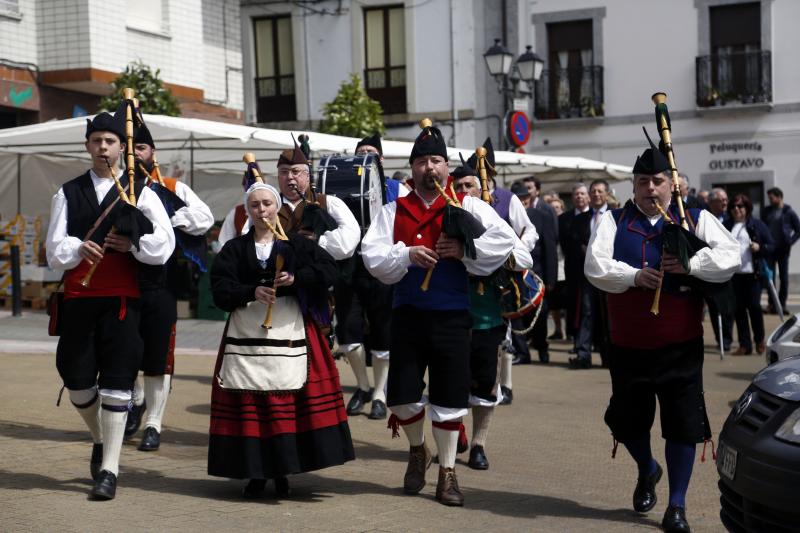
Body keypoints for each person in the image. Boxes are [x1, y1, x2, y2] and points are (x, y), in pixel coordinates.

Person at [585, 134, 739, 533]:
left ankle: (677, 505)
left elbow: (730, 257)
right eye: (642, 182)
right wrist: (634, 275)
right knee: (625, 422)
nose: (649, 188)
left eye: (656, 181)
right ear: (633, 186)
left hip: (681, 346)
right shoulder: (614, 221)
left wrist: (690, 263)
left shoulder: (695, 218)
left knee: (681, 426)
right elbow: (595, 267)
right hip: (628, 346)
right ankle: (647, 467)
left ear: (671, 183)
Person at [361, 121, 515, 507]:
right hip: (408, 314)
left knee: (448, 398)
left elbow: (504, 241)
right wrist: (406, 254)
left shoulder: (469, 205)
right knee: (401, 398)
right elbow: (372, 255)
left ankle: (447, 473)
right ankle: (418, 450)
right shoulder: (393, 210)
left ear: (446, 167)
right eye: (422, 162)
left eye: (436, 161)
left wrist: (465, 252)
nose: (430, 168)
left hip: (452, 316)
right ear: (412, 169)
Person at [45, 109, 175, 500]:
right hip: (80, 299)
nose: (103, 147)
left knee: (118, 382)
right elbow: (54, 250)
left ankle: (110, 469)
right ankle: (101, 437)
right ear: (88, 146)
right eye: (97, 141)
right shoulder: (67, 192)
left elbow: (164, 247)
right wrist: (76, 246)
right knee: (77, 380)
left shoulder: (143, 191)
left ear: (123, 148)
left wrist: (132, 243)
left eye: (110, 141)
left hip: (122, 302)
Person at [208, 182, 354, 498]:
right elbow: (219, 289)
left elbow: (330, 272)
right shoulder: (234, 249)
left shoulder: (297, 246)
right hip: (246, 336)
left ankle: (282, 471)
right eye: (255, 206)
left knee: (285, 402)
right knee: (252, 403)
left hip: (290, 332)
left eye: (267, 204)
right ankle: (255, 473)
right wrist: (251, 291)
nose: (262, 211)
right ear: (248, 211)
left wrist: (296, 279)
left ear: (276, 207)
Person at [124, 123, 215, 451]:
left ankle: (154, 423)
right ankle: (134, 404)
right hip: (123, 282)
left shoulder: (173, 186)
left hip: (162, 284)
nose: (136, 154)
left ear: (152, 153)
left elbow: (204, 217)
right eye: (131, 149)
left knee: (159, 356)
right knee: (124, 351)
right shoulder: (115, 187)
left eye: (142, 149)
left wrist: (169, 218)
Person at [452, 171, 533, 470]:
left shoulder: (496, 223)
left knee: (485, 384)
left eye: (469, 185)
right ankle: (454, 433)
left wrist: (489, 259)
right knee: (451, 382)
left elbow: (523, 257)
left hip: (488, 316)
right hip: (451, 315)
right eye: (458, 186)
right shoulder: (446, 217)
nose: (464, 191)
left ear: (482, 188)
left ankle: (478, 445)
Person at [334, 134, 401, 419]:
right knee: (348, 333)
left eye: (371, 153)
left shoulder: (398, 189)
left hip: (383, 269)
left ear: (381, 159)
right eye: (361, 152)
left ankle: (380, 393)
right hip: (349, 267)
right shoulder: (342, 188)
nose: (366, 156)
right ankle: (362, 386)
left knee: (384, 333)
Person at [725, 194, 774, 355]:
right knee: (738, 309)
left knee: (754, 307)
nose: (736, 210)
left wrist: (760, 248)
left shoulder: (757, 225)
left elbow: (771, 246)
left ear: (747, 208)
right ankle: (744, 345)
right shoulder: (726, 225)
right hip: (734, 275)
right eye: (733, 207)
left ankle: (759, 340)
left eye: (740, 206)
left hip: (753, 274)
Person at [569, 179, 610, 369]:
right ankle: (583, 354)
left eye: (600, 191)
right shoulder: (581, 219)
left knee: (607, 315)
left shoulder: (615, 216)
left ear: (607, 194)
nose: (596, 194)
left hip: (610, 275)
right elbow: (574, 245)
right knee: (587, 313)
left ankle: (608, 355)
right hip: (588, 276)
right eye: (593, 191)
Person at [518, 182, 557, 363]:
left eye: (524, 197)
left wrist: (550, 279)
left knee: (540, 316)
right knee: (517, 316)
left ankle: (542, 348)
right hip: (515, 275)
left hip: (538, 274)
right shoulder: (506, 217)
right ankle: (522, 352)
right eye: (517, 198)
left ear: (529, 198)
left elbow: (550, 249)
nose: (522, 201)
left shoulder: (542, 216)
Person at [559, 183, 590, 349]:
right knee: (574, 306)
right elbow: (563, 243)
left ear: (588, 197)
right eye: (576, 194)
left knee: (589, 307)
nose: (579, 197)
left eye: (582, 194)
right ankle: (577, 339)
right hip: (572, 269)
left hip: (591, 270)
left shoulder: (595, 216)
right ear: (572, 198)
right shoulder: (564, 218)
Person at [761, 187, 800, 314]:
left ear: (779, 197)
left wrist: (791, 242)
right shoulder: (766, 211)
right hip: (770, 249)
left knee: (784, 278)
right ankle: (772, 304)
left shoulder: (788, 212)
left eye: (771, 198)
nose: (770, 200)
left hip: (783, 250)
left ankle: (781, 305)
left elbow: (798, 229)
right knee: (770, 278)